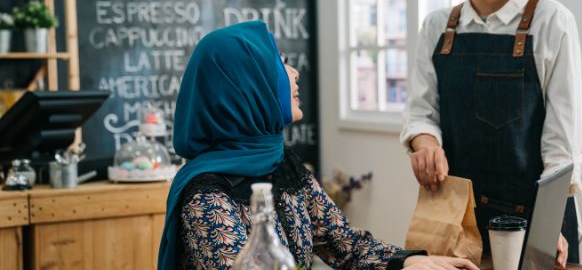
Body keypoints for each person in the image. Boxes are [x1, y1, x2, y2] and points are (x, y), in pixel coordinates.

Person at [158, 21, 479, 270]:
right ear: (245, 88)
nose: (295, 74)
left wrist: (409, 261)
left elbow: (342, 243)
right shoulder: (206, 197)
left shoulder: (282, 163)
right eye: (279, 63)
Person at [400, 0, 582, 268]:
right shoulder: (438, 26)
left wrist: (548, 225)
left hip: (537, 220)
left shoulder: (550, 20)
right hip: (455, 220)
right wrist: (424, 144)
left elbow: (562, 146)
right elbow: (421, 112)